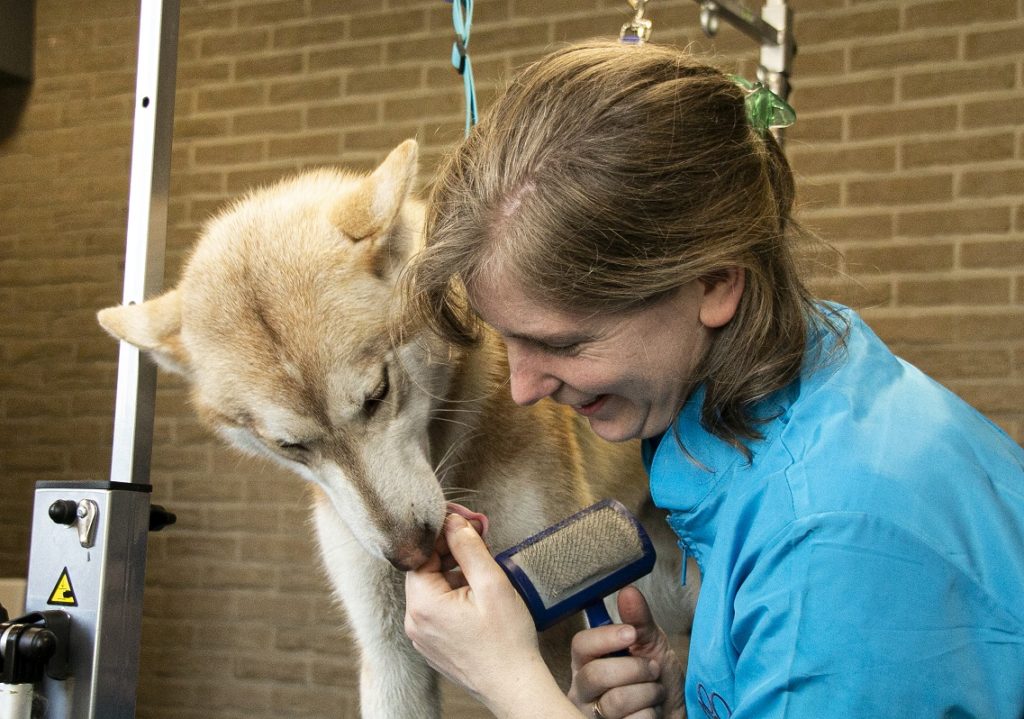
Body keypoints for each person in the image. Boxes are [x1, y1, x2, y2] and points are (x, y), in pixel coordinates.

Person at [400, 39, 1024, 719]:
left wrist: (512, 683)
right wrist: (701, 698)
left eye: (563, 343)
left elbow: (826, 605)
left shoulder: (828, 539)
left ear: (715, 281)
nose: (523, 388)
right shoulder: (804, 383)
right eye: (508, 341)